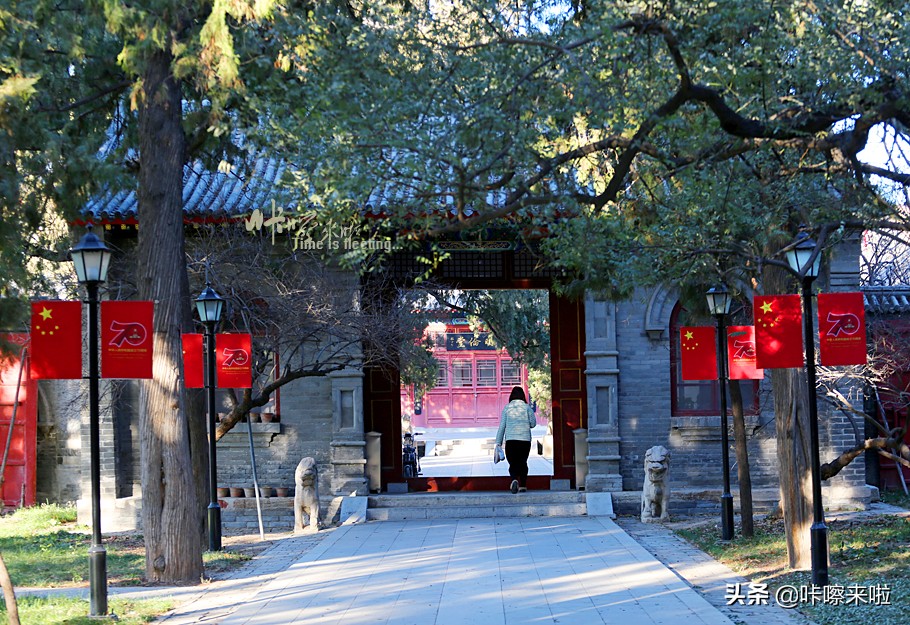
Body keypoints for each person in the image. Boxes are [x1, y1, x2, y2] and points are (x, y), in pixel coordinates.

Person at [495, 386, 537, 494]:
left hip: (511, 440)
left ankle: (514, 479)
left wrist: (498, 442)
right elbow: (533, 424)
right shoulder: (527, 408)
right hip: (525, 440)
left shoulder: (507, 408)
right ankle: (523, 485)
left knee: (513, 463)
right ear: (523, 396)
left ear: (511, 396)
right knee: (523, 462)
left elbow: (502, 426)